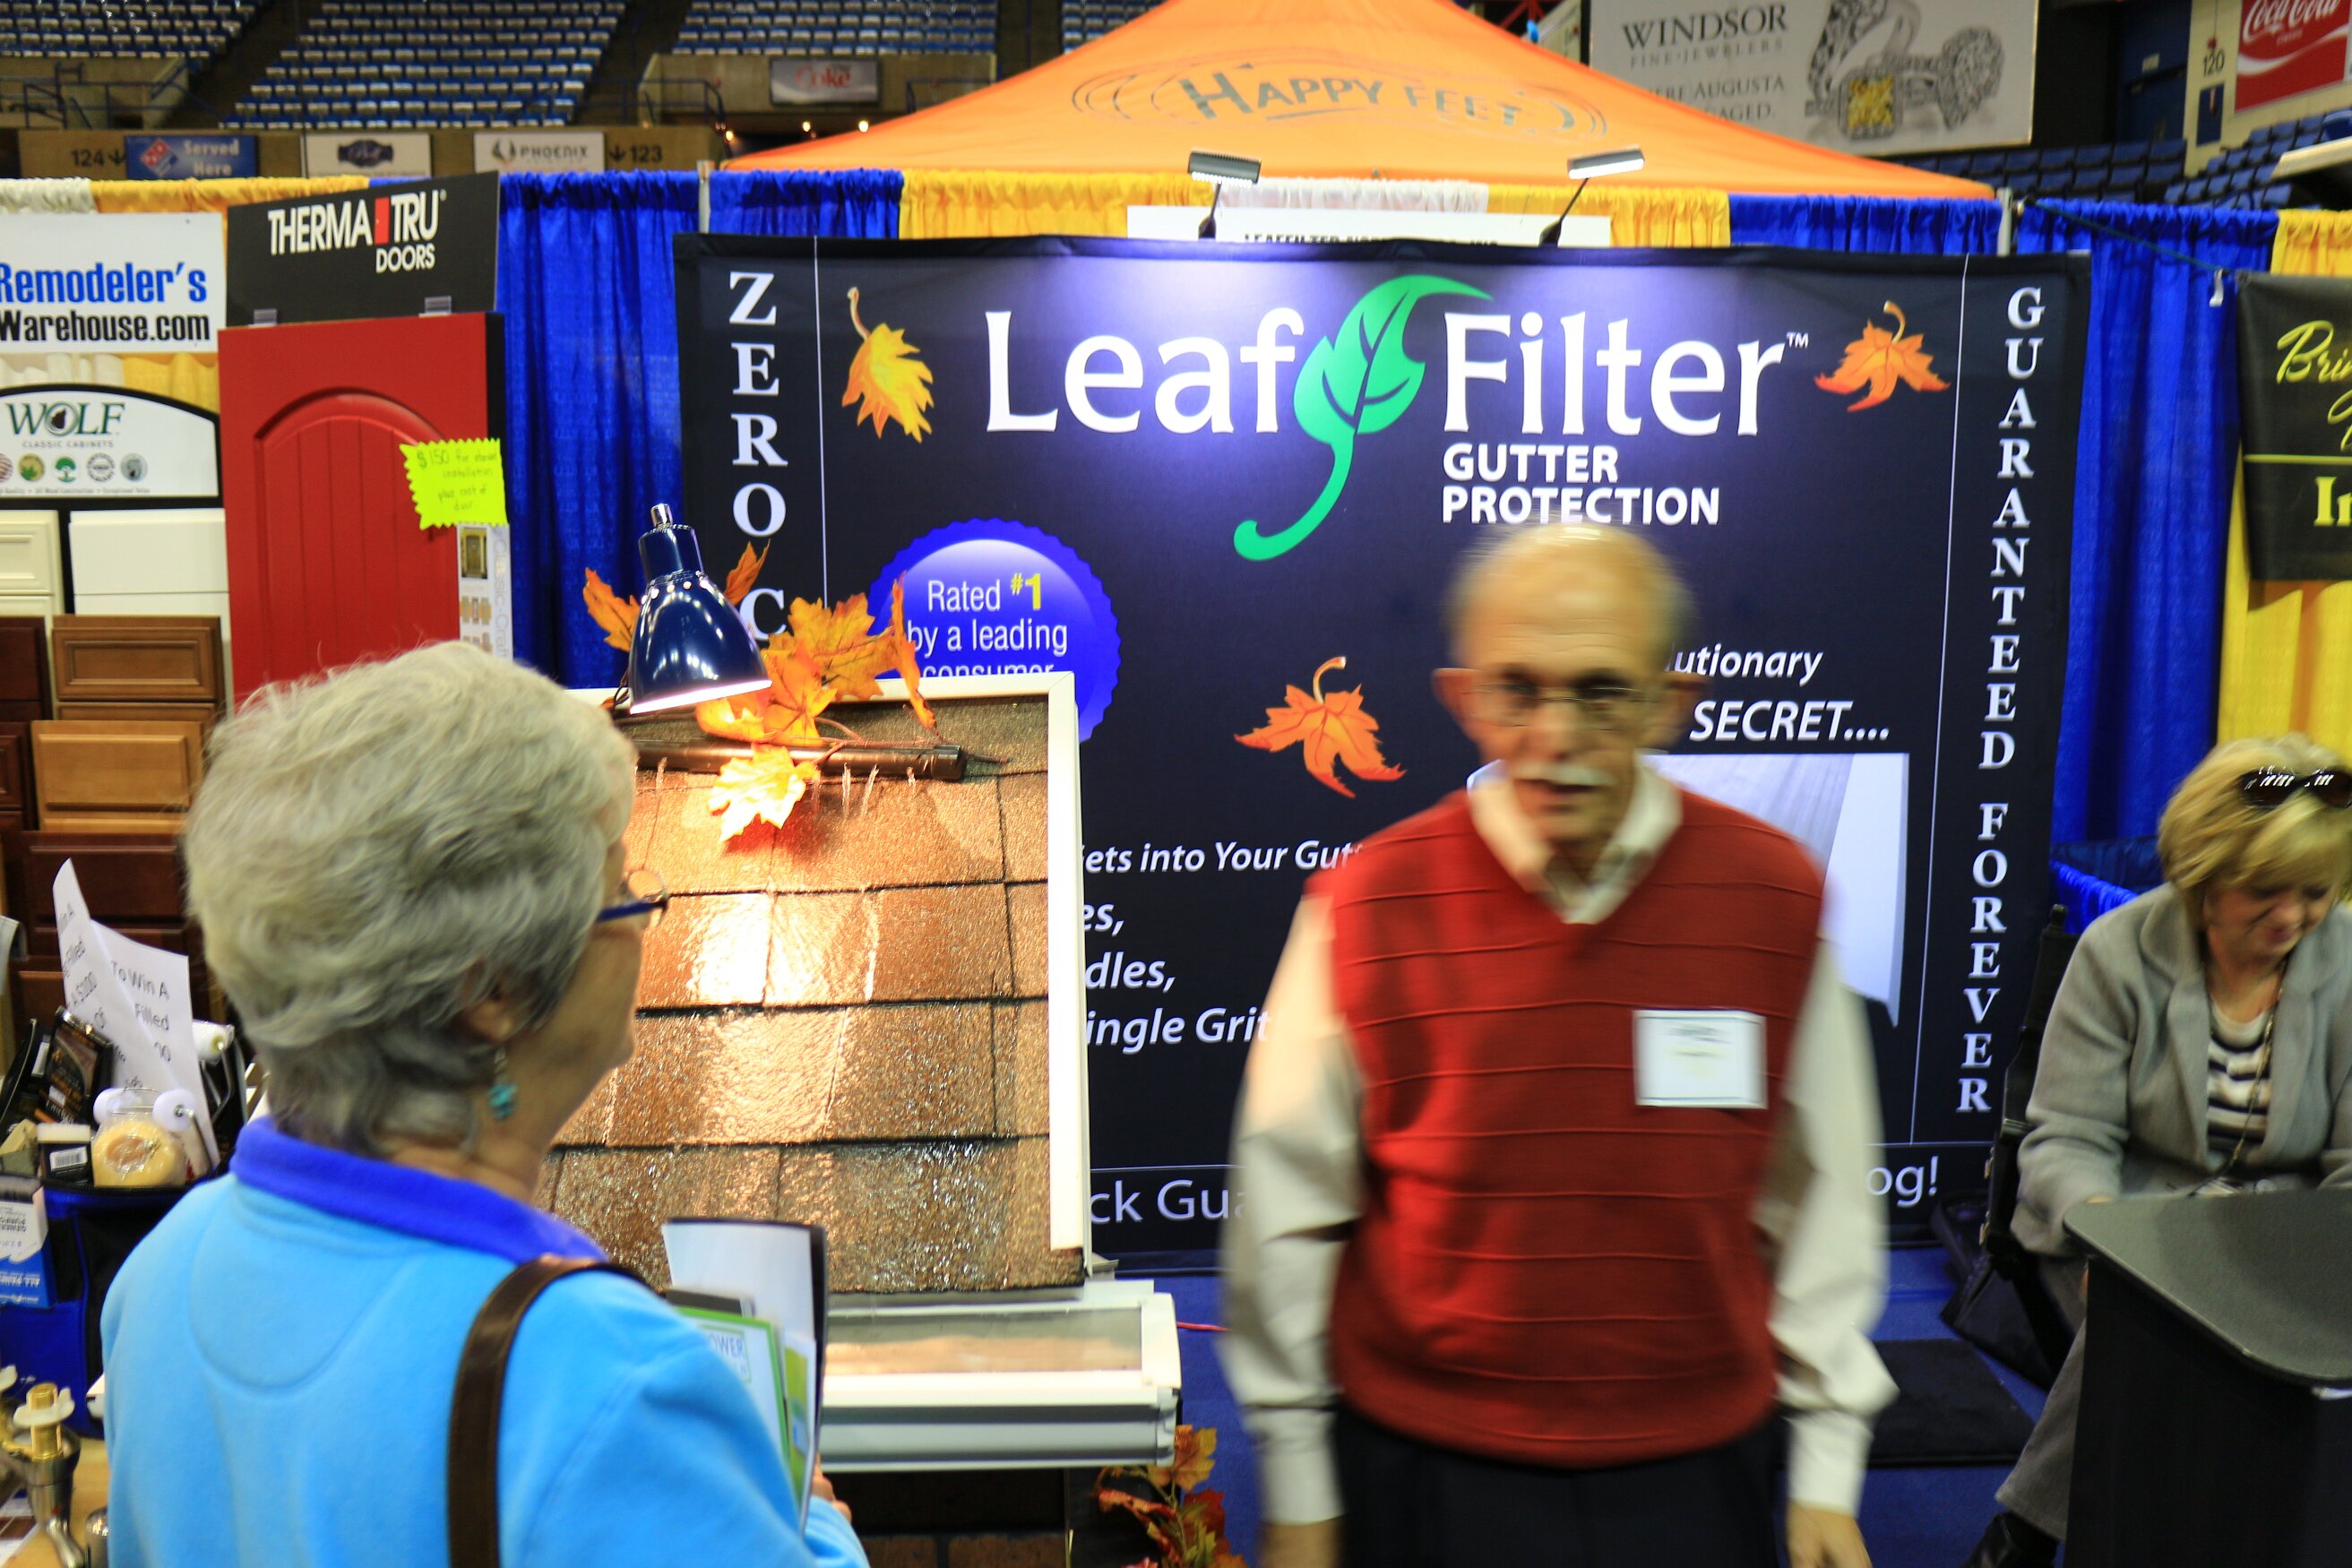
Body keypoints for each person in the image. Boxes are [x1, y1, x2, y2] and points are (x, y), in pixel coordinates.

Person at [100, 642, 867, 1568]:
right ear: (492, 990)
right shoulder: (609, 1383)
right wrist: (813, 1523)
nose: (643, 916)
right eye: (620, 889)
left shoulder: (160, 1271)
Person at [1222, 526, 1894, 1568]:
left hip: (1694, 1472)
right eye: (1518, 689)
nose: (1555, 733)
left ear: (1670, 700)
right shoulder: (1368, 905)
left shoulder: (1773, 899)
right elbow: (1286, 1208)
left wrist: (1825, 1469)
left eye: (1600, 691)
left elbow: (1825, 1203)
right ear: (1464, 697)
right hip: (1427, 1469)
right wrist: (1301, 1487)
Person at [1960, 735, 2352, 1568]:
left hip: (2291, 1235)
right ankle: (2033, 1536)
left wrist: (2316, 1270)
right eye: (2263, 891)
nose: (2290, 918)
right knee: (2145, 1332)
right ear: (2203, 874)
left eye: (2314, 892)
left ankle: (2029, 1534)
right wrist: (2115, 1242)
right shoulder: (2116, 951)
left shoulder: (2348, 964)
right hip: (2121, 1217)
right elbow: (2068, 1138)